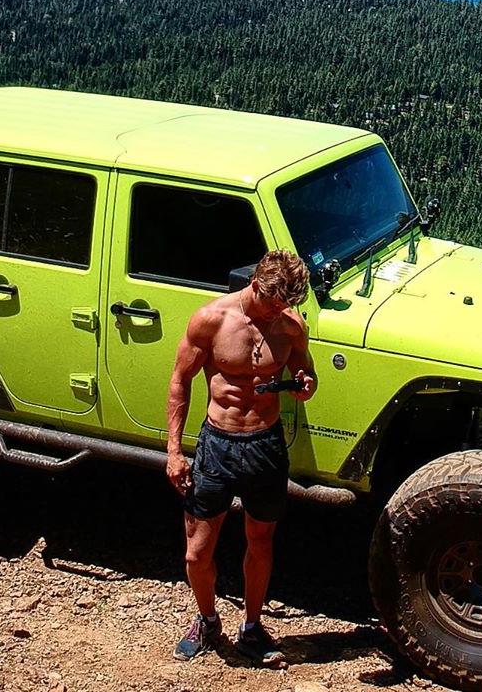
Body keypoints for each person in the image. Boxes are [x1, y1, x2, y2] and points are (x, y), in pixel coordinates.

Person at [166, 249, 317, 664]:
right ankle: (207, 618)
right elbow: (180, 381)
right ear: (255, 285)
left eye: (287, 305)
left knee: (261, 539)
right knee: (197, 551)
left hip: (265, 446)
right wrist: (175, 450)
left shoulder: (290, 325)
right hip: (218, 444)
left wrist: (305, 384)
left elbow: (306, 373)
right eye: (274, 303)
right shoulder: (211, 320)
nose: (279, 312)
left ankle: (252, 626)